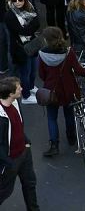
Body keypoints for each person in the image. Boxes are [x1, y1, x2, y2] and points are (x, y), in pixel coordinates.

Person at [37, 27, 85, 157]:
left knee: (52, 118)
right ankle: (71, 137)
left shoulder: (42, 54)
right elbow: (79, 70)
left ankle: (54, 145)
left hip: (51, 90)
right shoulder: (68, 52)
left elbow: (41, 74)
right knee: (69, 115)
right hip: (69, 89)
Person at [0, 76, 39, 209]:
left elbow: (19, 126)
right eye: (18, 88)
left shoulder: (15, 102)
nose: (22, 88)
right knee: (4, 192)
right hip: (11, 160)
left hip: (24, 152)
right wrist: (9, 163)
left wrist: (26, 142)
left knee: (30, 184)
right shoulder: (1, 116)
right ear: (10, 94)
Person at [4, 0, 40, 105]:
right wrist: (30, 28)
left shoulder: (29, 7)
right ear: (11, 0)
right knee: (25, 72)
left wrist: (28, 29)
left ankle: (30, 86)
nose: (18, 2)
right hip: (20, 48)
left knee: (33, 70)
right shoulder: (10, 15)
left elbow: (37, 23)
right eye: (15, 0)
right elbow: (22, 30)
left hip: (32, 44)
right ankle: (26, 96)